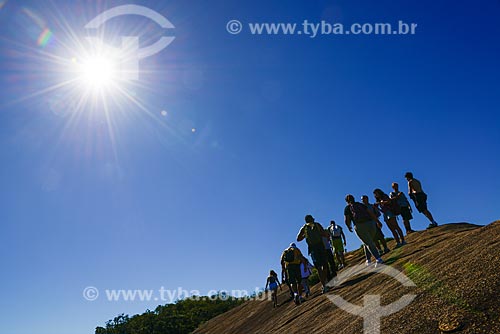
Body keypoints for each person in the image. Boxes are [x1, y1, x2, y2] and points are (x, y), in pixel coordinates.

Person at [344, 195, 384, 265]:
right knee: (367, 241)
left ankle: (378, 259)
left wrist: (348, 226)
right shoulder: (361, 205)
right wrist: (378, 221)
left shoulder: (347, 208)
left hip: (359, 226)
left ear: (347, 201)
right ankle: (368, 260)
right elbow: (370, 213)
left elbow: (347, 220)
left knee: (368, 242)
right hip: (370, 224)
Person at [297, 215, 330, 293]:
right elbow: (324, 234)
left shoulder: (304, 228)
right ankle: (325, 282)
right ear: (312, 219)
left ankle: (324, 285)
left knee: (318, 267)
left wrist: (305, 235)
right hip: (320, 246)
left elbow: (298, 239)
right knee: (325, 265)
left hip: (312, 248)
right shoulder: (317, 225)